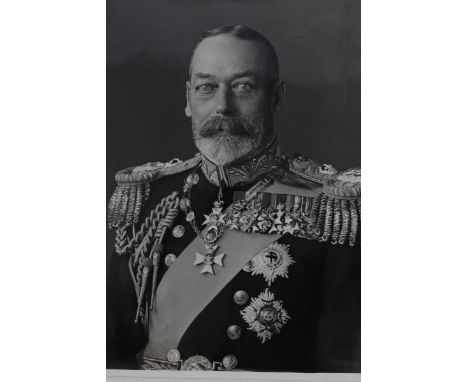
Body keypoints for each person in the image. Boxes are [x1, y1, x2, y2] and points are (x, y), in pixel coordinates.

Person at [107, 25, 360, 372]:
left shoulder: (333, 207)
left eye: (243, 87)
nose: (222, 106)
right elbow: (109, 355)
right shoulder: (145, 199)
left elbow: (346, 369)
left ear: (277, 96)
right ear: (188, 98)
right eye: (206, 88)